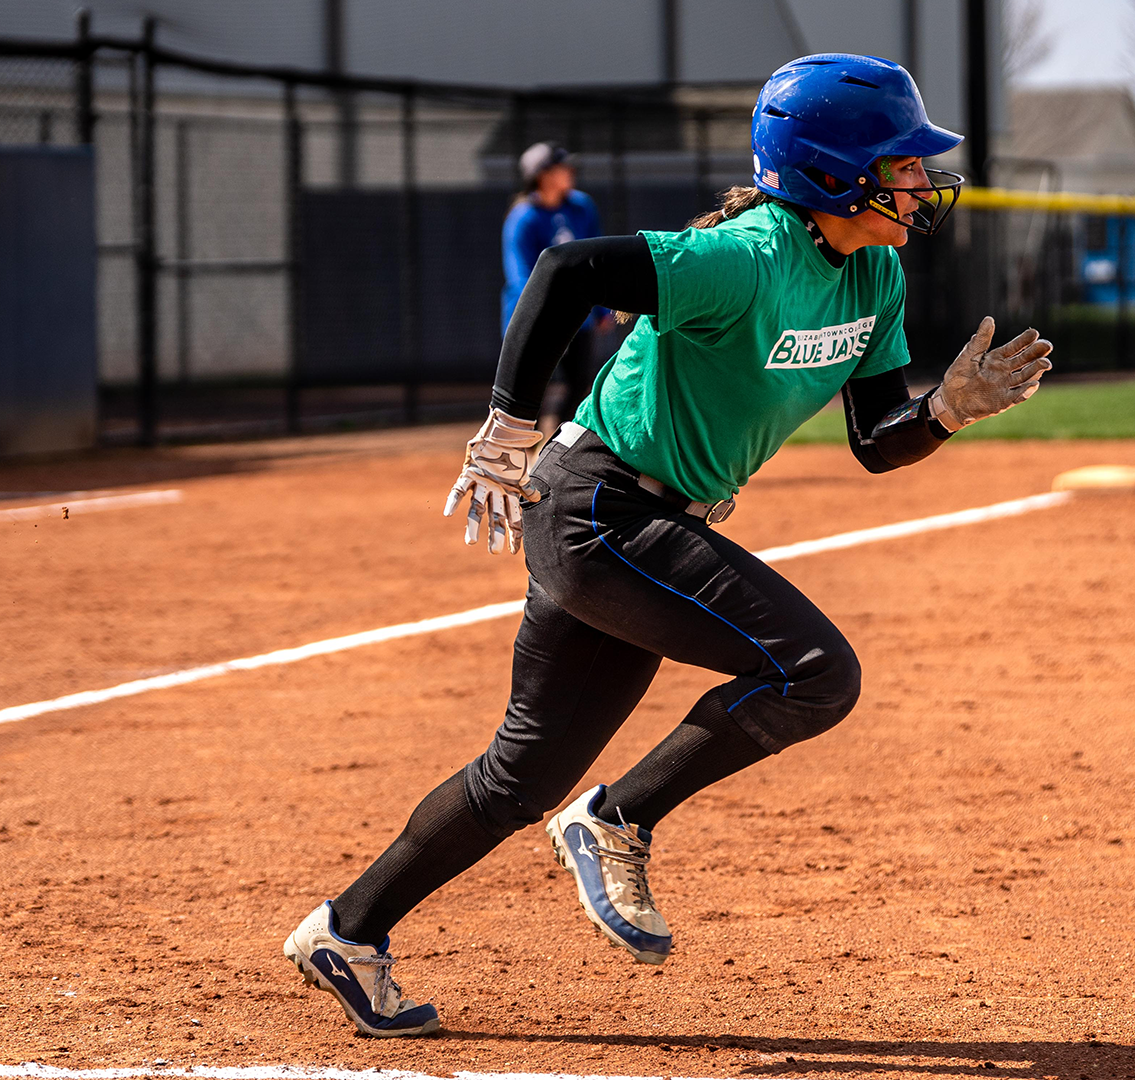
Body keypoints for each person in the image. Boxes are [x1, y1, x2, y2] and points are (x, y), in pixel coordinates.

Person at [283, 53, 1055, 1038]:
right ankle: (619, 819)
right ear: (832, 174)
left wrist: (944, 410)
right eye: (901, 162)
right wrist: (507, 428)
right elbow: (567, 273)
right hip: (596, 509)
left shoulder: (876, 272)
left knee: (520, 776)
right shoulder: (746, 257)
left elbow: (874, 441)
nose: (919, 180)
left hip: (644, 528)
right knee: (816, 672)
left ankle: (347, 930)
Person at [500, 142, 608, 420]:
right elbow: (519, 275)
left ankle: (555, 449)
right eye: (561, 167)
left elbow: (595, 256)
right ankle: (524, 449)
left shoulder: (581, 206)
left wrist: (603, 307)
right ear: (543, 174)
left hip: (577, 314)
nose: (570, 171)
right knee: (527, 392)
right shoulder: (523, 218)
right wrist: (542, 313)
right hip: (534, 318)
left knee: (579, 385)